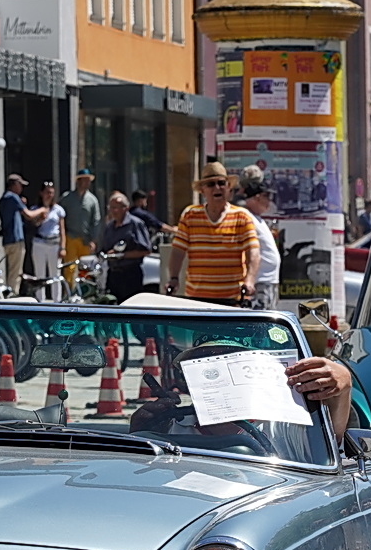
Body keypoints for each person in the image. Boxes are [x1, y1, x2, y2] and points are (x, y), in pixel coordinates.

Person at [129, 341, 354, 442]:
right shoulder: (172, 425)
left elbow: (332, 441)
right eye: (205, 365)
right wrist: (142, 433)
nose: (219, 375)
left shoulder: (284, 425)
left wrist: (344, 383)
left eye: (230, 366)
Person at [166, 162, 259, 304]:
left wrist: (250, 280)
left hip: (232, 299)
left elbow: (252, 251)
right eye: (210, 184)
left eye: (221, 183)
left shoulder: (241, 216)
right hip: (196, 298)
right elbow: (178, 251)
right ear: (202, 191)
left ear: (228, 187)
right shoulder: (190, 215)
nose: (217, 188)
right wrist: (173, 278)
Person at [237, 166, 281, 311]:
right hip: (259, 282)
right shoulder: (245, 215)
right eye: (267, 196)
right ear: (257, 197)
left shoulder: (256, 218)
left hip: (268, 281)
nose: (270, 201)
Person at [97, 191, 152, 302]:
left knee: (130, 309)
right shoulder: (109, 227)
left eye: (118, 207)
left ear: (126, 208)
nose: (115, 210)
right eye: (112, 207)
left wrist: (122, 255)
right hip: (113, 274)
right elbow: (104, 249)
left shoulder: (135, 224)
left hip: (130, 274)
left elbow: (146, 250)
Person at [25, 182, 65, 288]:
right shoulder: (35, 209)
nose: (49, 195)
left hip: (54, 244)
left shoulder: (58, 210)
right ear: (41, 193)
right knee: (40, 274)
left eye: (51, 193)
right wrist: (40, 219)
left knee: (55, 274)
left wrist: (63, 247)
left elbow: (62, 230)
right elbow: (32, 225)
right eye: (47, 192)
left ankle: (57, 301)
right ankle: (40, 300)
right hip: (40, 243)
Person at [0, 173, 28, 294]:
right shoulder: (13, 197)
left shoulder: (3, 199)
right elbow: (28, 215)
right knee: (15, 272)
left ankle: (11, 292)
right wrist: (43, 210)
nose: (21, 188)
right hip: (16, 240)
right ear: (14, 185)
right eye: (20, 185)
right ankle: (13, 295)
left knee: (11, 269)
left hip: (7, 240)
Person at [63, 168, 102, 262]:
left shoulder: (92, 200)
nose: (87, 182)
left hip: (86, 239)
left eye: (89, 180)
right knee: (69, 267)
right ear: (78, 181)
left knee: (85, 266)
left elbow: (96, 220)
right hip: (70, 237)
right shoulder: (66, 198)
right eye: (85, 179)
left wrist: (94, 240)